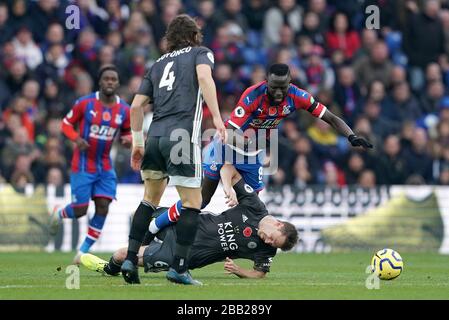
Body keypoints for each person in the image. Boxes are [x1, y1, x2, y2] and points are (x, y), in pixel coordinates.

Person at [122, 14, 226, 285]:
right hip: (181, 136)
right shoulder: (201, 53)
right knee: (193, 203)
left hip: (154, 136)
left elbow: (135, 107)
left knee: (149, 200)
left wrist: (137, 143)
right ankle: (179, 268)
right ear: (194, 36)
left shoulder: (156, 64)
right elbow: (204, 78)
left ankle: (131, 259)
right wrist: (216, 117)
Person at [80, 165, 299, 279]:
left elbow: (260, 273)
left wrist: (240, 271)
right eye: (273, 238)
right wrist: (228, 187)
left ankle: (108, 269)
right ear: (278, 224)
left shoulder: (266, 250)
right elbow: (228, 169)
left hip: (186, 254)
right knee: (145, 216)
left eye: (273, 245)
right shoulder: (255, 207)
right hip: (187, 224)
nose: (269, 242)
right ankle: (143, 247)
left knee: (121, 254)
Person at [201, 63, 373, 207]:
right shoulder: (252, 96)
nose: (278, 92)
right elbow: (228, 132)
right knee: (203, 200)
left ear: (289, 83)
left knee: (252, 206)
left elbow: (331, 118)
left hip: (253, 152)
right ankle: (176, 221)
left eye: (282, 88)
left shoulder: (297, 95)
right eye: (273, 87)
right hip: (227, 146)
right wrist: (250, 146)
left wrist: (351, 136)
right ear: (266, 81)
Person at [48, 65, 132, 264]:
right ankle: (58, 214)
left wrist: (127, 140)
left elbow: (127, 132)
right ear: (100, 82)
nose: (110, 82)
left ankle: (82, 251)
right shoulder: (84, 103)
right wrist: (76, 139)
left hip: (105, 166)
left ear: (118, 83)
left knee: (103, 206)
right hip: (83, 164)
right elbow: (65, 124)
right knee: (80, 210)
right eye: (106, 79)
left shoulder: (124, 110)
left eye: (113, 79)